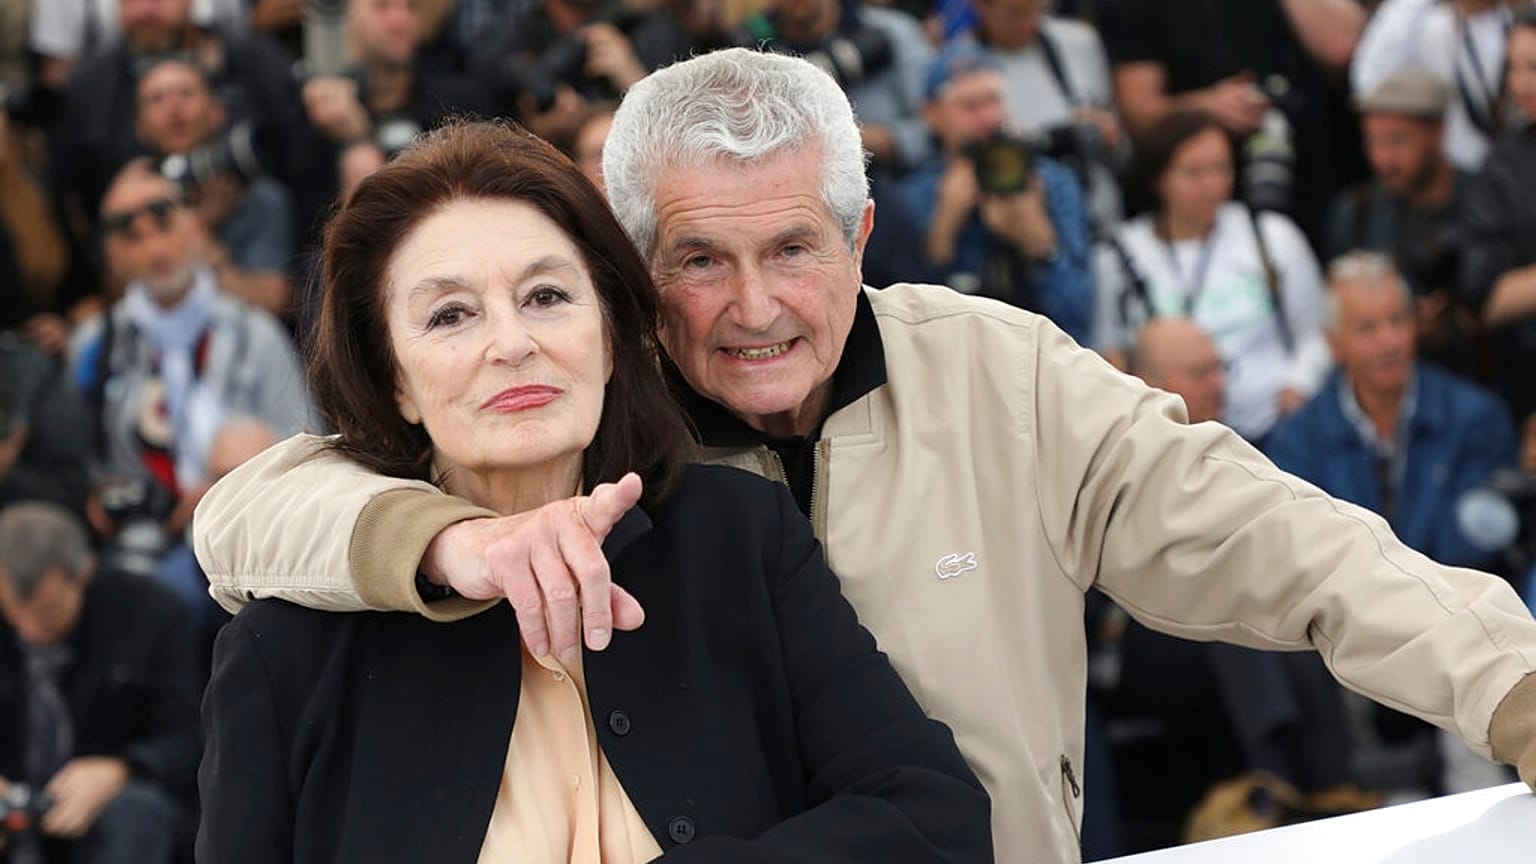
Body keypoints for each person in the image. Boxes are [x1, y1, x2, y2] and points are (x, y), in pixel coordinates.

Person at [194, 49, 1536, 864]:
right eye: (699, 262)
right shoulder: (568, 411)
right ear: (627, 275)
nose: (756, 306)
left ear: (863, 235)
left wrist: (1511, 687)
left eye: (793, 249)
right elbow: (259, 510)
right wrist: (442, 543)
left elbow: (1289, 547)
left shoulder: (1001, 379)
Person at [194, 119, 993, 862]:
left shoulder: (737, 539)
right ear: (394, 381)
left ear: (611, 339)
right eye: (449, 317)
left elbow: (933, 817)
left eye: (547, 297)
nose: (512, 344)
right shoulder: (289, 644)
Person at [68, 160, 314, 622]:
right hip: (136, 553)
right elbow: (77, 464)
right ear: (113, 256)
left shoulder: (254, 333)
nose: (154, 247)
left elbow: (309, 446)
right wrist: (100, 496)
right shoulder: (93, 348)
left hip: (248, 539)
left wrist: (233, 481)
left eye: (164, 223)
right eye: (132, 237)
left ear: (196, 226)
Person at [1091, 110, 1331, 444]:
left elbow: (1318, 331)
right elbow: (1109, 354)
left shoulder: (1270, 235)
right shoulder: (1118, 255)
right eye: (1193, 173)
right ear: (1158, 177)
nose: (1211, 185)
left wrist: (1299, 387)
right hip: (1173, 440)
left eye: (1221, 168)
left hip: (1277, 432)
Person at [0, 501, 199, 864]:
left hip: (112, 802)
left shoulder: (151, 615)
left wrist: (122, 769)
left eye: (47, 616)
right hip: (15, 800)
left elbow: (188, 736)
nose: (29, 631)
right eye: (15, 615)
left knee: (136, 812)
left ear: (84, 572)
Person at [899, 42, 1093, 343]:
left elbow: (1079, 322)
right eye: (969, 106)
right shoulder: (913, 197)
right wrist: (944, 229)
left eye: (994, 100)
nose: (988, 118)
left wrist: (1038, 244)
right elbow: (907, 329)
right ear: (932, 114)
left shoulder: (1051, 181)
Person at [1329, 67, 1481, 380]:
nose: (1384, 158)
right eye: (1373, 142)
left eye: (1398, 141)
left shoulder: (1485, 203)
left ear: (1438, 132)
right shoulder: (1358, 212)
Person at [135, 56, 294, 316]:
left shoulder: (257, 195)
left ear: (217, 112)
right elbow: (120, 294)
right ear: (140, 127)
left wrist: (205, 245)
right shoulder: (133, 194)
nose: (174, 108)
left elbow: (270, 303)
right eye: (158, 99)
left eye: (186, 94)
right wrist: (198, 227)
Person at [966, 0, 1127, 230]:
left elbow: (1120, 146)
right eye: (1014, 14)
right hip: (1022, 214)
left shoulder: (1080, 41)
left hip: (1098, 206)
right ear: (980, 7)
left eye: (1038, 10)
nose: (1029, 23)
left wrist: (1106, 133)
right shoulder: (961, 63)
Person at [1462, 8, 1536, 425]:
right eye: (1513, 68)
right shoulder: (1502, 167)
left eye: (1534, 67)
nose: (1521, 83)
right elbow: (1487, 298)